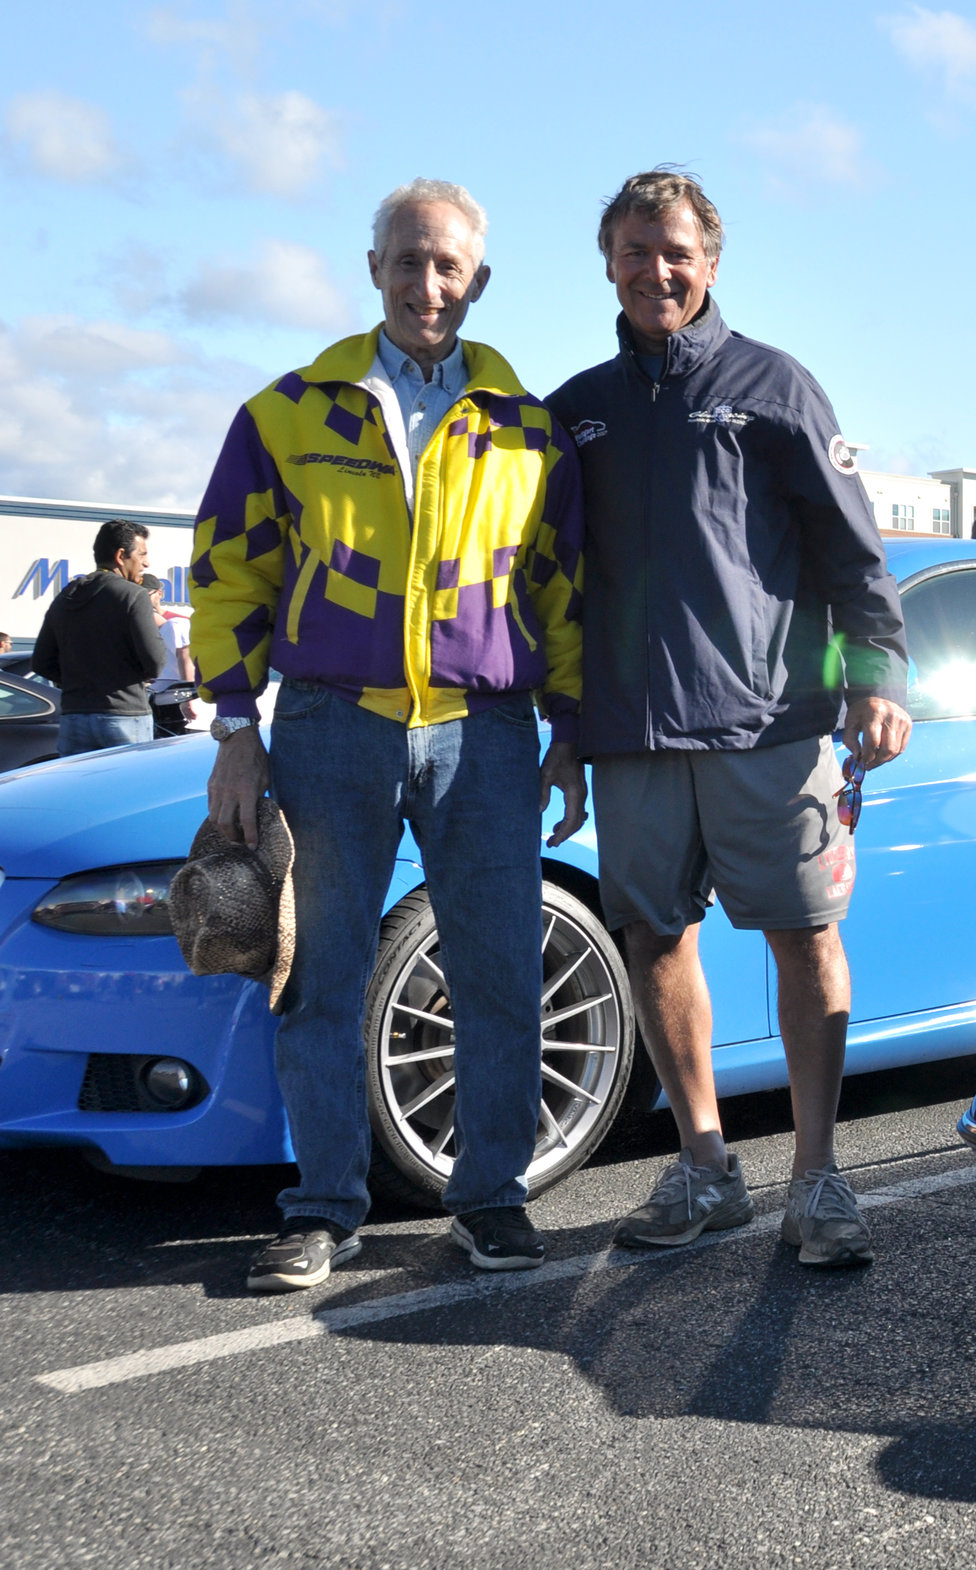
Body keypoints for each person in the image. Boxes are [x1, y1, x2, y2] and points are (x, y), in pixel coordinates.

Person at [192, 178, 586, 1290]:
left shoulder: (527, 429)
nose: (427, 284)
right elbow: (229, 569)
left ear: (479, 281)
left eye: (447, 265)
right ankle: (323, 1206)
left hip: (488, 733)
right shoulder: (289, 411)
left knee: (501, 970)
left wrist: (569, 729)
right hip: (329, 729)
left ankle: (491, 1200)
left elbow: (562, 590)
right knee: (323, 974)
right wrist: (233, 723)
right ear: (374, 270)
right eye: (407, 261)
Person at [548, 169, 911, 1270]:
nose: (656, 269)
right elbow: (558, 584)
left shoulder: (775, 386)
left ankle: (817, 1180)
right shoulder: (578, 410)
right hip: (634, 735)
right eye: (634, 249)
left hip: (771, 727)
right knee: (655, 939)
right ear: (605, 260)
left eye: (676, 251)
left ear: (710, 263)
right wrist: (566, 727)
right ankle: (706, 1167)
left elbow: (854, 552)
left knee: (805, 939)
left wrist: (881, 672)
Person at [32, 519, 164, 755]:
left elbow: (41, 662)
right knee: (128, 790)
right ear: (121, 555)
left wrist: (79, 680)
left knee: (79, 791)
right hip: (124, 716)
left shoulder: (66, 597)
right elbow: (155, 662)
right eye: (142, 554)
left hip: (74, 716)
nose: (146, 562)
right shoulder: (133, 595)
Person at [144, 573, 196, 738]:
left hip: (175, 695)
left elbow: (185, 658)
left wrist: (189, 698)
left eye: (145, 593)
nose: (140, 598)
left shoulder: (177, 622)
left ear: (159, 593)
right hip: (151, 696)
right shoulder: (135, 622)